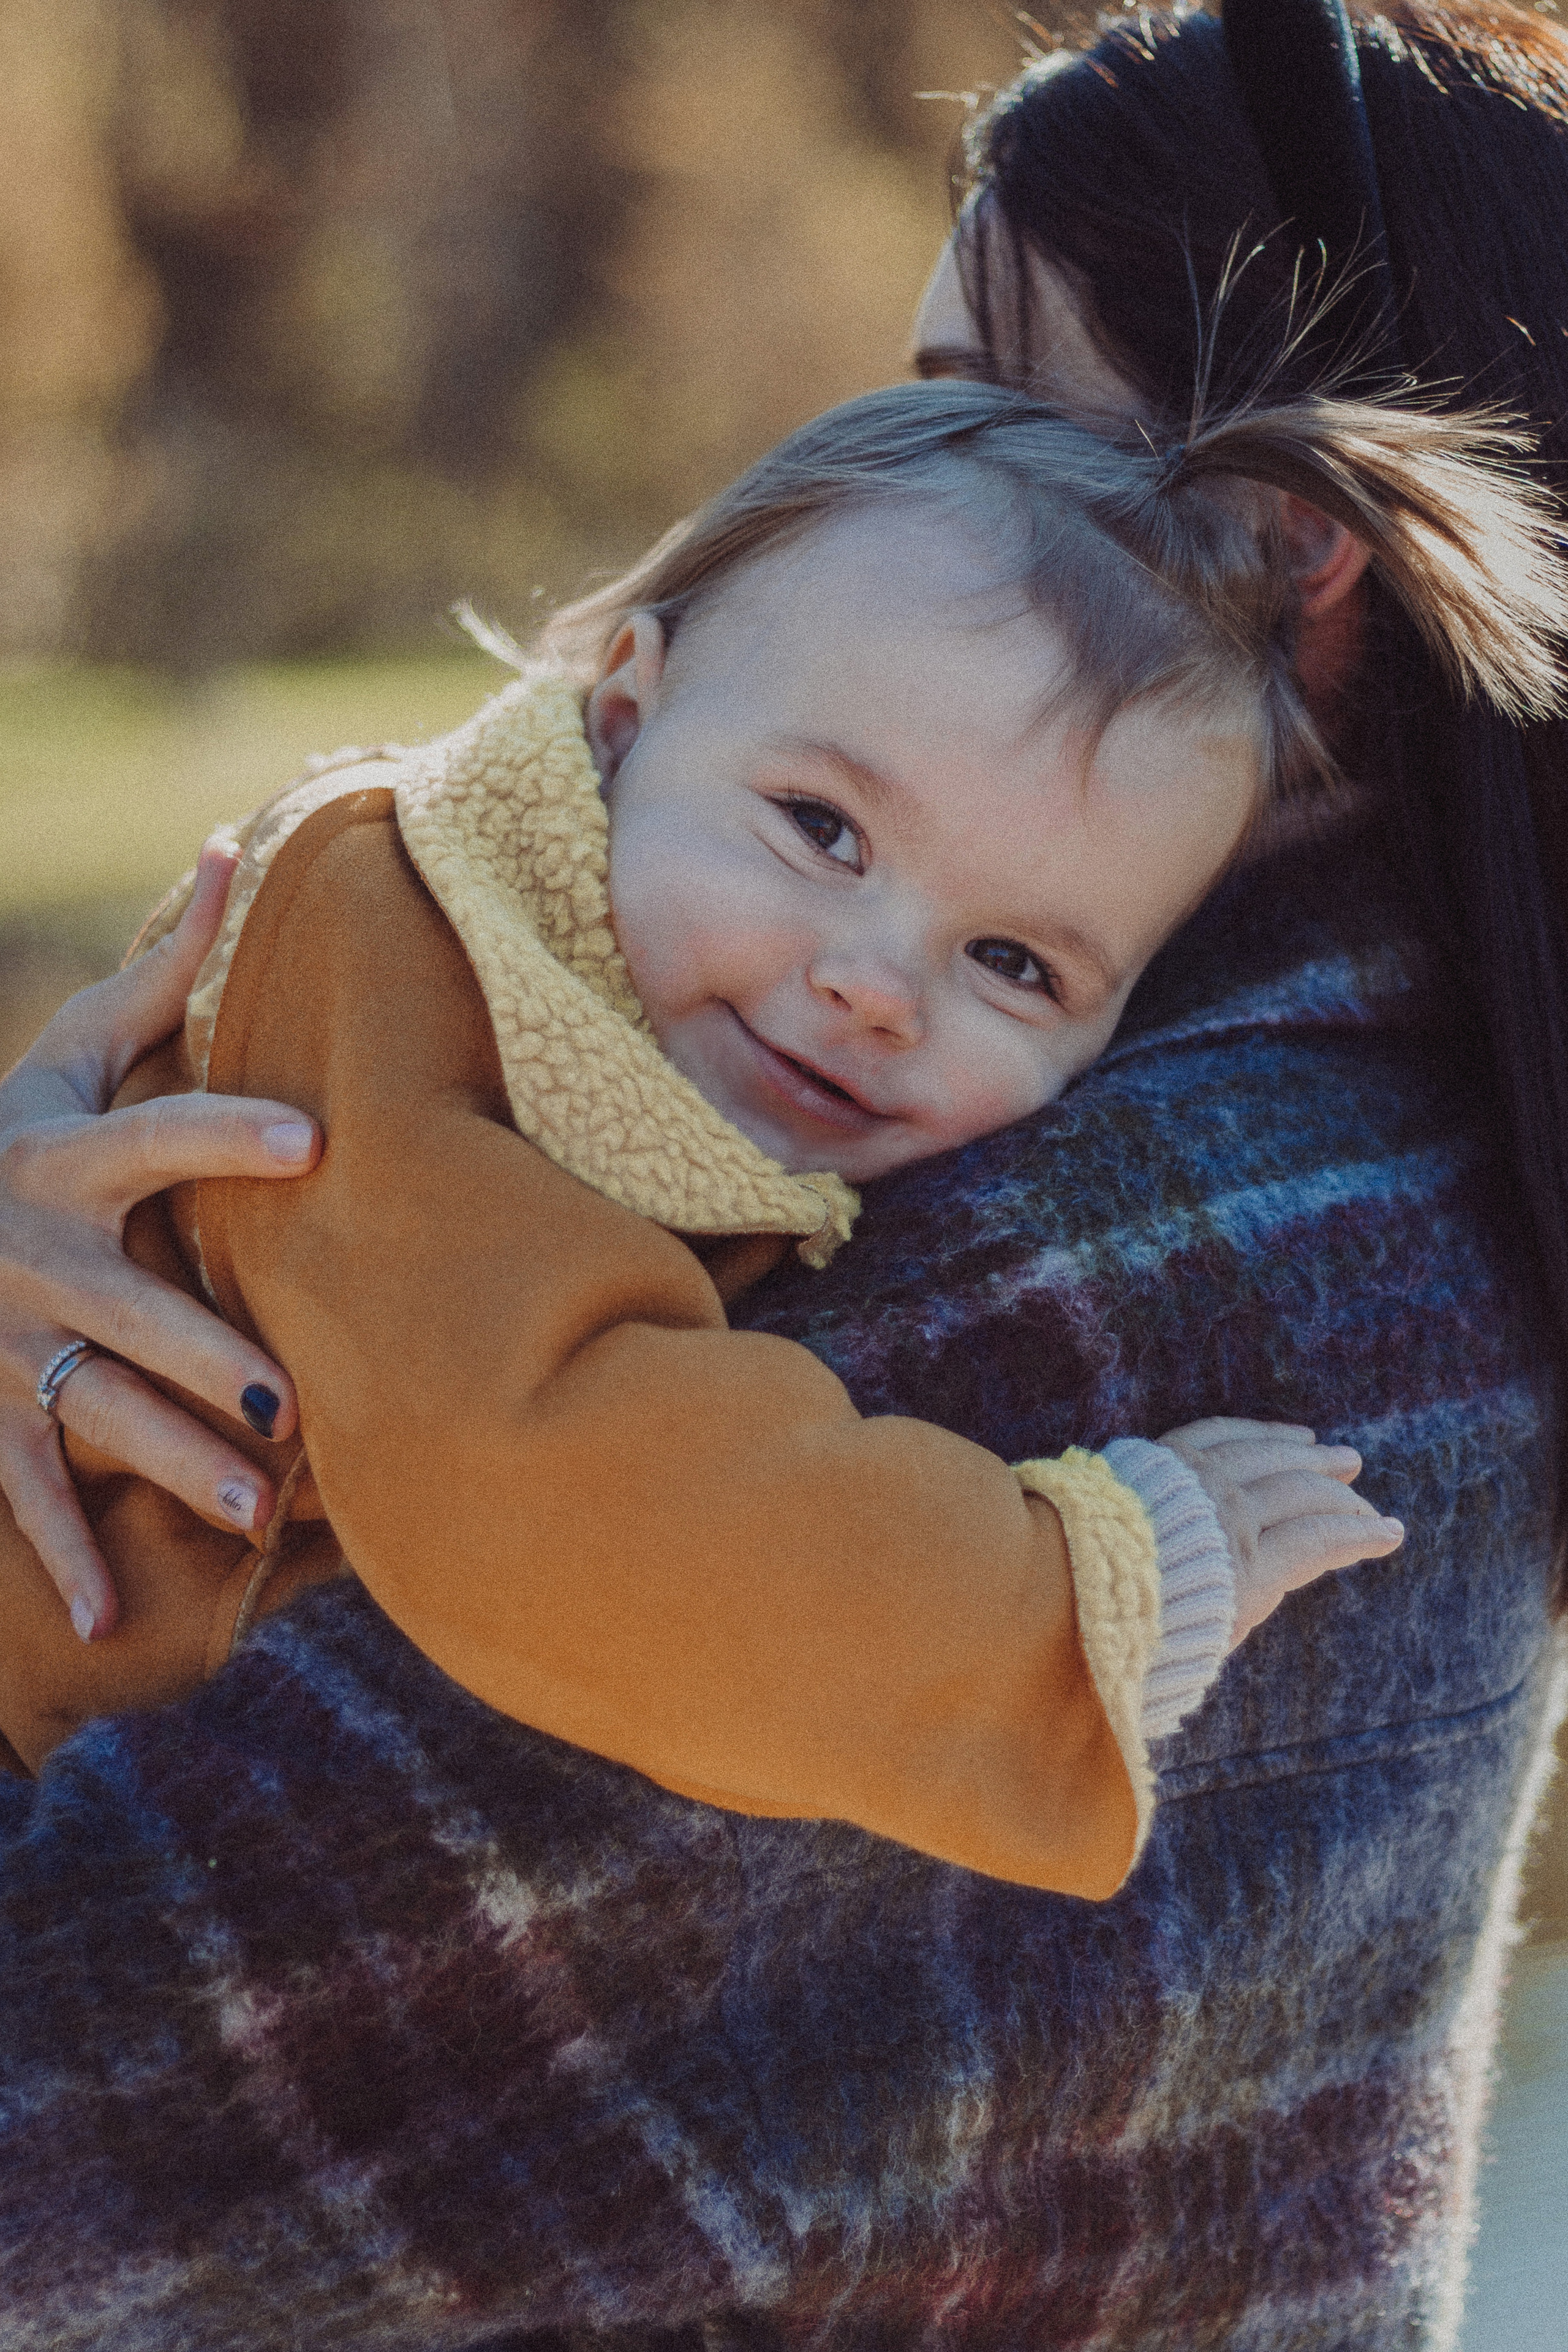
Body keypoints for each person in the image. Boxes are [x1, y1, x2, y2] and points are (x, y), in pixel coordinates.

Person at [0, 4, 1564, 2344]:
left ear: (1278, 551)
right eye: (818, 826)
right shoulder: (1302, 1112)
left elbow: (102, 2092)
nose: (901, 473)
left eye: (983, 409)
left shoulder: (1178, 1244)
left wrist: (1085, 1589)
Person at [34, 366, 1556, 1875]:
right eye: (820, 829)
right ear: (624, 715)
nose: (876, 988)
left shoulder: (646, 1033)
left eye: (1013, 965)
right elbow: (554, 1489)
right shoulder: (389, 955)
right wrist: (1066, 1600)